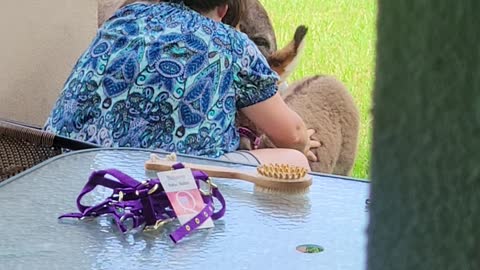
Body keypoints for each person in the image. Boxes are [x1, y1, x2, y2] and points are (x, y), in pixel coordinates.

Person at [44, 0, 319, 168]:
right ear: (223, 9)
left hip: (63, 162)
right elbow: (291, 134)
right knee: (293, 161)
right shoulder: (232, 43)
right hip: (159, 179)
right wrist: (304, 142)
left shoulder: (123, 17)